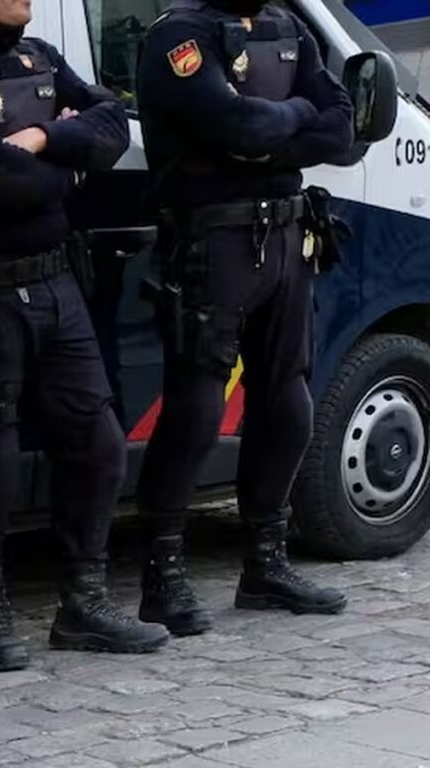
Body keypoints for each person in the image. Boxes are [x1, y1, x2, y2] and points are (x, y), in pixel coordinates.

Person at [0, 0, 171, 673]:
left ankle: (84, 605)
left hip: (55, 281)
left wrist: (45, 141)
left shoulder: (39, 57)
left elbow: (109, 126)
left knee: (99, 439)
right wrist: (65, 160)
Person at [135, 0, 354, 636]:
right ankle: (162, 577)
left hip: (286, 235)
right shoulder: (179, 35)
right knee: (197, 407)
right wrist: (290, 119)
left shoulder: (289, 27)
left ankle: (265, 565)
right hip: (213, 240)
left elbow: (340, 131)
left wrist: (272, 126)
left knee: (288, 401)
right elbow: (239, 126)